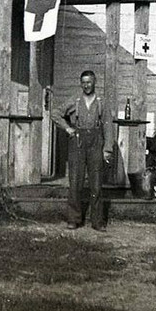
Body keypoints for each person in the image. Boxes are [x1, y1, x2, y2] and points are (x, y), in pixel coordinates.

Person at [51, 70, 115, 231]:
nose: (86, 85)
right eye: (84, 82)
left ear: (95, 82)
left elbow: (108, 126)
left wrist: (107, 149)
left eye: (89, 82)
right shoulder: (75, 100)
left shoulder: (102, 102)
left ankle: (98, 221)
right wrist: (68, 129)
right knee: (75, 182)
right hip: (78, 142)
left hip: (96, 142)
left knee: (96, 184)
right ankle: (73, 219)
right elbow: (55, 114)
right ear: (81, 84)